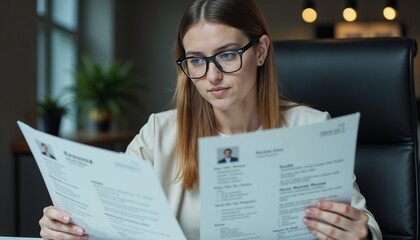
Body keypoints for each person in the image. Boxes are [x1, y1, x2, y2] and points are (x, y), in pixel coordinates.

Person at [38, 0, 382, 239]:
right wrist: (73, 229)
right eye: (196, 61)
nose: (212, 76)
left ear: (260, 51)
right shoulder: (158, 134)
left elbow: (365, 224)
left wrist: (360, 234)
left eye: (228, 55)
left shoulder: (313, 128)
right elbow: (113, 222)